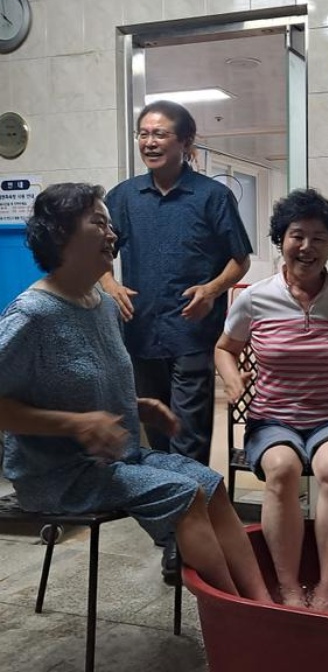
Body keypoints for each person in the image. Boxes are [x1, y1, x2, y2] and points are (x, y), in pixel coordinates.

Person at [0, 183, 272, 602]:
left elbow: (84, 383)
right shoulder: (33, 315)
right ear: (60, 234)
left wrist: (137, 407)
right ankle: (238, 615)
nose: (112, 234)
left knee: (211, 484)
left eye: (110, 224)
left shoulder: (104, 306)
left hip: (118, 460)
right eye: (99, 223)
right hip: (59, 475)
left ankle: (263, 604)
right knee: (184, 494)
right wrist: (75, 424)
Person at [215, 188, 328, 611]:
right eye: (297, 235)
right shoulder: (255, 298)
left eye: (319, 238)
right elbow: (224, 348)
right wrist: (233, 381)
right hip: (272, 419)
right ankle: (289, 586)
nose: (307, 247)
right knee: (282, 468)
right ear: (281, 239)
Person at [100, 100, 252, 466]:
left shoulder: (212, 196)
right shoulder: (122, 197)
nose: (149, 142)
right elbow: (98, 253)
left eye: (160, 134)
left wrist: (212, 289)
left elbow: (240, 260)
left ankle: (192, 496)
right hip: (140, 331)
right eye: (144, 134)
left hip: (192, 332)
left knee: (188, 435)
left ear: (185, 141)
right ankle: (171, 499)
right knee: (156, 431)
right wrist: (110, 285)